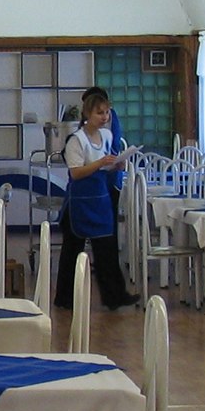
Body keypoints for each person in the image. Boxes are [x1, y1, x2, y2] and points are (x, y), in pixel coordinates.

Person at [57, 87, 136, 311]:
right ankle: (65, 298)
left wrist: (116, 165)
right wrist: (101, 163)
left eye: (106, 112)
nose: (104, 117)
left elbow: (105, 166)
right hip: (79, 202)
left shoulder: (107, 136)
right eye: (99, 113)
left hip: (100, 200)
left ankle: (115, 296)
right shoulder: (76, 140)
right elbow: (76, 173)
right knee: (72, 252)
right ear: (87, 114)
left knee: (107, 250)